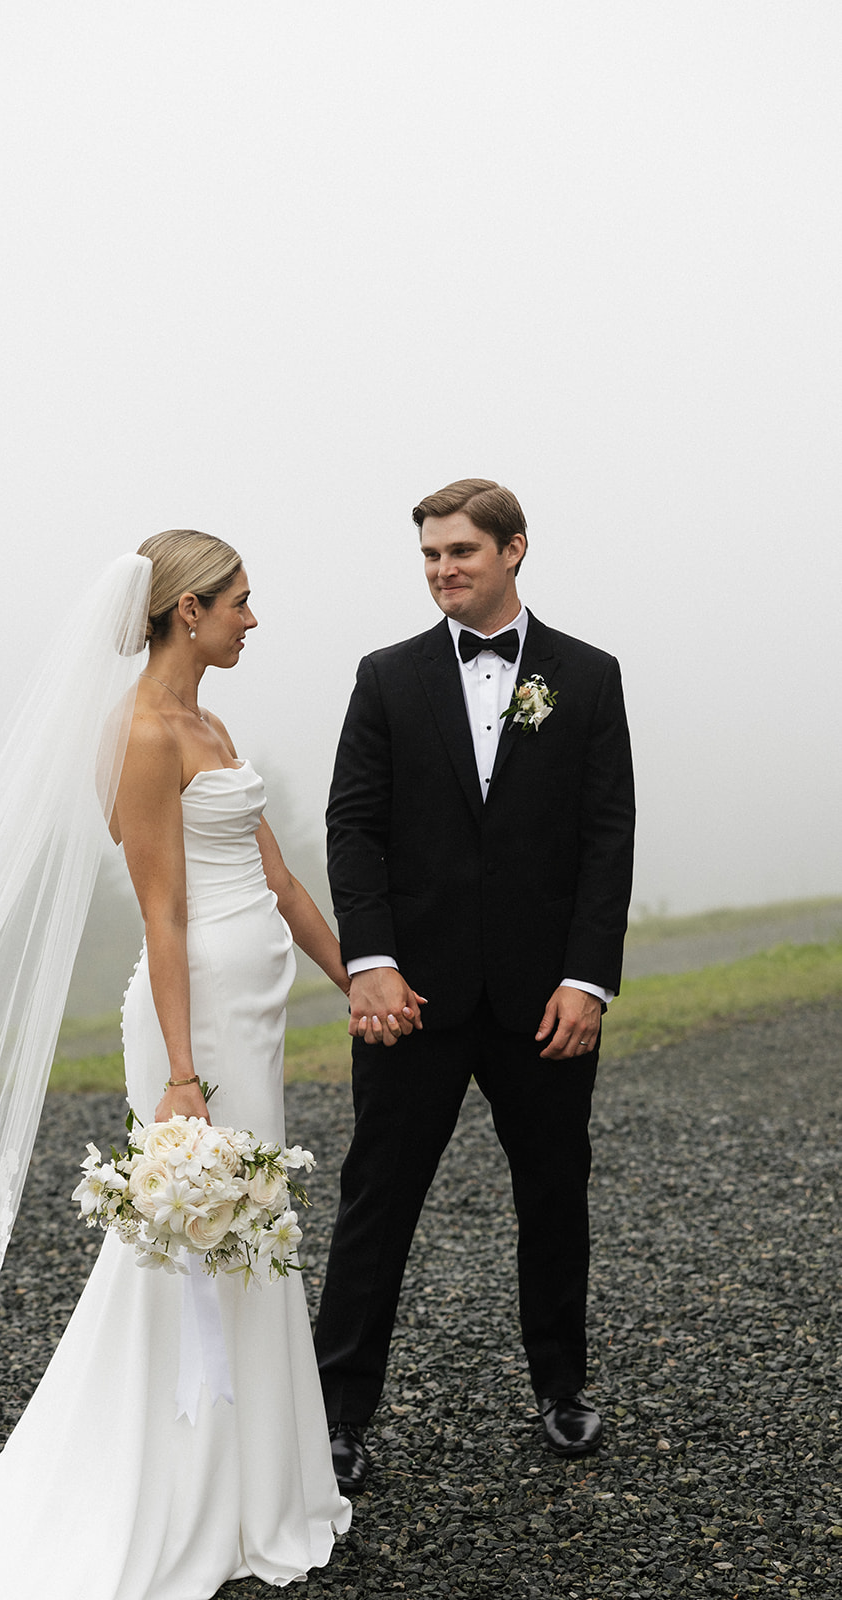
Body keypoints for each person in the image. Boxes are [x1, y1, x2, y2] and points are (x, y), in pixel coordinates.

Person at [0, 534, 350, 1600]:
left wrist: (354, 975)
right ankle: (166, 1487)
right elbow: (161, 910)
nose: (251, 620)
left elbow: (275, 870)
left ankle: (253, 1481)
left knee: (255, 1233)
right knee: (191, 1243)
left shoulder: (211, 721)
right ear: (188, 611)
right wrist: (181, 1072)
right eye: (239, 601)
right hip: (194, 1025)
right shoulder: (137, 734)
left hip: (251, 1012)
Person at [314, 479, 635, 1492]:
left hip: (545, 1004)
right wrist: (370, 964)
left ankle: (561, 1387)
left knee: (553, 1195)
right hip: (410, 999)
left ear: (513, 550)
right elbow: (352, 828)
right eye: (428, 555)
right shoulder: (384, 678)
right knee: (375, 1200)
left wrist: (586, 981)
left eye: (459, 551)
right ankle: (334, 1413)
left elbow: (604, 839)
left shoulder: (586, 677)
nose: (441, 569)